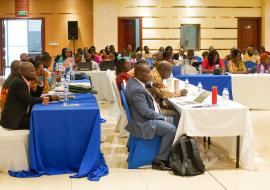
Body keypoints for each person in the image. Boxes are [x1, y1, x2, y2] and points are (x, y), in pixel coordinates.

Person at [126, 63, 176, 170]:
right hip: (143, 123)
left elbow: (147, 84)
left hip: (142, 117)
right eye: (148, 72)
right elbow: (145, 112)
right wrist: (162, 117)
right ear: (140, 74)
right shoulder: (136, 90)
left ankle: (170, 152)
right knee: (171, 129)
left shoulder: (134, 81)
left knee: (174, 119)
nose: (151, 74)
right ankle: (160, 160)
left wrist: (152, 84)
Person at [0, 62, 58, 130]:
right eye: (31, 71)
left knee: (44, 117)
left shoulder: (24, 81)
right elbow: (30, 100)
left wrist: (40, 84)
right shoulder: (19, 82)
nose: (34, 73)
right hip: (16, 119)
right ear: (23, 73)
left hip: (23, 114)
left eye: (34, 70)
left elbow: (35, 95)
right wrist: (50, 98)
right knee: (42, 123)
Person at [150, 61, 187, 126]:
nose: (170, 74)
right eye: (170, 71)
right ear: (164, 70)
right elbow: (163, 95)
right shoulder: (155, 77)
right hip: (154, 109)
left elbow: (161, 89)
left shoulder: (155, 73)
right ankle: (175, 133)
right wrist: (180, 93)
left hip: (154, 104)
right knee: (178, 113)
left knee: (172, 106)